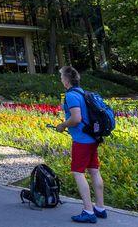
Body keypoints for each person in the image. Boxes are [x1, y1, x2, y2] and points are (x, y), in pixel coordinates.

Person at [53, 66, 106, 223]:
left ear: (67, 80)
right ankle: (100, 208)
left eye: (62, 77)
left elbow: (76, 118)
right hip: (92, 138)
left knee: (78, 172)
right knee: (94, 171)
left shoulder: (70, 96)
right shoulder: (83, 92)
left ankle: (88, 211)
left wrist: (62, 125)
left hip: (82, 140)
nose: (61, 79)